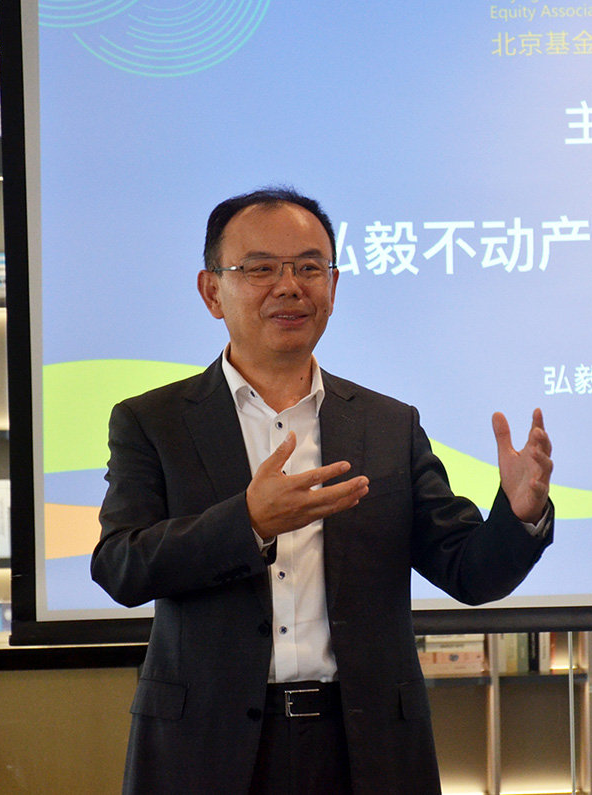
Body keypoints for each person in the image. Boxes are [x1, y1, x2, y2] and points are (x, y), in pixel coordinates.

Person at [91, 187, 554, 794]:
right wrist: (248, 522)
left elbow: (470, 573)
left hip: (364, 747)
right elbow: (121, 566)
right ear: (212, 292)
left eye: (310, 268)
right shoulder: (154, 421)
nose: (290, 287)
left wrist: (520, 513)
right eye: (261, 269)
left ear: (332, 287)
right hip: (207, 747)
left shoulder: (387, 424)